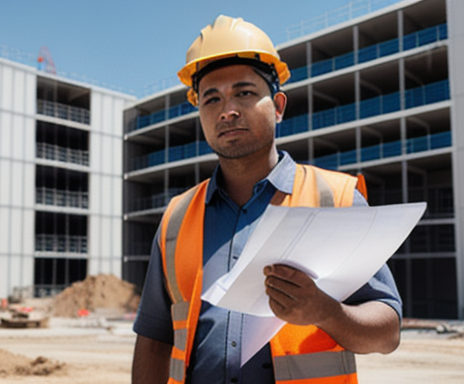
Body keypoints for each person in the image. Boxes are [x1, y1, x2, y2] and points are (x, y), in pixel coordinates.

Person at [132, 15, 402, 384]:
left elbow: (387, 333)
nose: (227, 110)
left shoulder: (335, 199)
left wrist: (327, 313)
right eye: (211, 98)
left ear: (277, 106)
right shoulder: (177, 218)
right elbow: (153, 339)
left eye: (244, 93)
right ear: (200, 114)